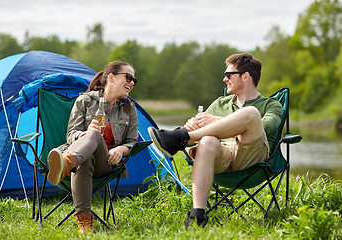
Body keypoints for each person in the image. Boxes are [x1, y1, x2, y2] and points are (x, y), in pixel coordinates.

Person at [148, 53, 283, 229]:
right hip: (221, 157)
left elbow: (265, 127)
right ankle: (198, 215)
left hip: (252, 158)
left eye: (229, 75)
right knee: (207, 141)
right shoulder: (220, 103)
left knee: (251, 114)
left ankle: (179, 136)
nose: (224, 79)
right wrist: (192, 128)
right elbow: (198, 139)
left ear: (245, 76)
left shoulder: (271, 105)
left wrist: (214, 121)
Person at [47, 61, 138, 234]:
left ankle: (66, 162)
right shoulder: (85, 101)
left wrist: (120, 150)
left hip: (105, 163)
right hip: (84, 158)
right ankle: (85, 223)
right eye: (128, 77)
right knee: (89, 147)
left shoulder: (129, 109)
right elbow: (71, 133)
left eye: (134, 80)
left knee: (95, 134)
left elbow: (132, 142)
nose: (132, 82)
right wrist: (82, 134)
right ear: (110, 77)